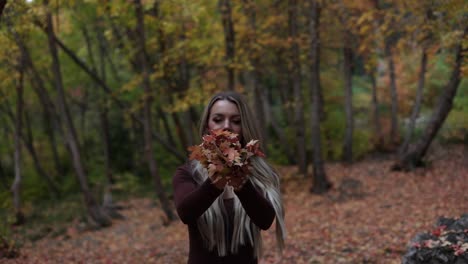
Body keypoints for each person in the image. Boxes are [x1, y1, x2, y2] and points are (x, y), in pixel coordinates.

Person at [172, 91, 286, 264]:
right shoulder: (188, 173)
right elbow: (186, 213)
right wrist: (214, 185)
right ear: (206, 127)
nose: (227, 126)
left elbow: (265, 220)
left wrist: (242, 185)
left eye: (236, 121)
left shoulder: (262, 174)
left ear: (245, 127)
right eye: (218, 119)